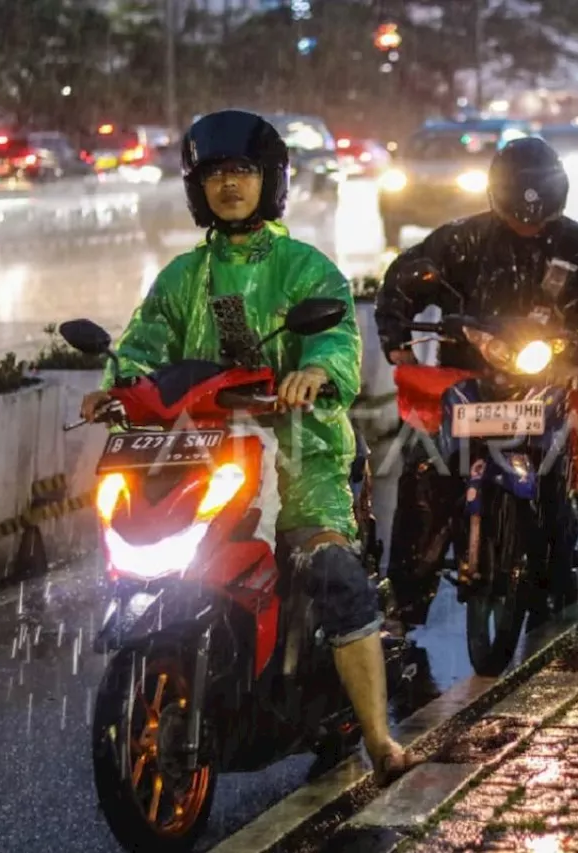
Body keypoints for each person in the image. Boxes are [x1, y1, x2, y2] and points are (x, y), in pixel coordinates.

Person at [79, 109, 422, 786]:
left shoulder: (305, 267)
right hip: (201, 452)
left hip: (303, 454)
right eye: (215, 174)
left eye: (243, 172)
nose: (230, 186)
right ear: (195, 187)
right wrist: (114, 386)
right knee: (148, 559)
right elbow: (145, 345)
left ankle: (380, 738)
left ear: (271, 182)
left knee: (332, 573)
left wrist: (317, 371)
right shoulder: (182, 277)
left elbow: (336, 339)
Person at [375, 136, 578, 628]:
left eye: (537, 214)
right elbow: (405, 278)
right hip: (469, 381)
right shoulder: (460, 239)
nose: (528, 222)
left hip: (556, 376)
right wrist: (395, 333)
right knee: (424, 470)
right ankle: (405, 602)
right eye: (518, 213)